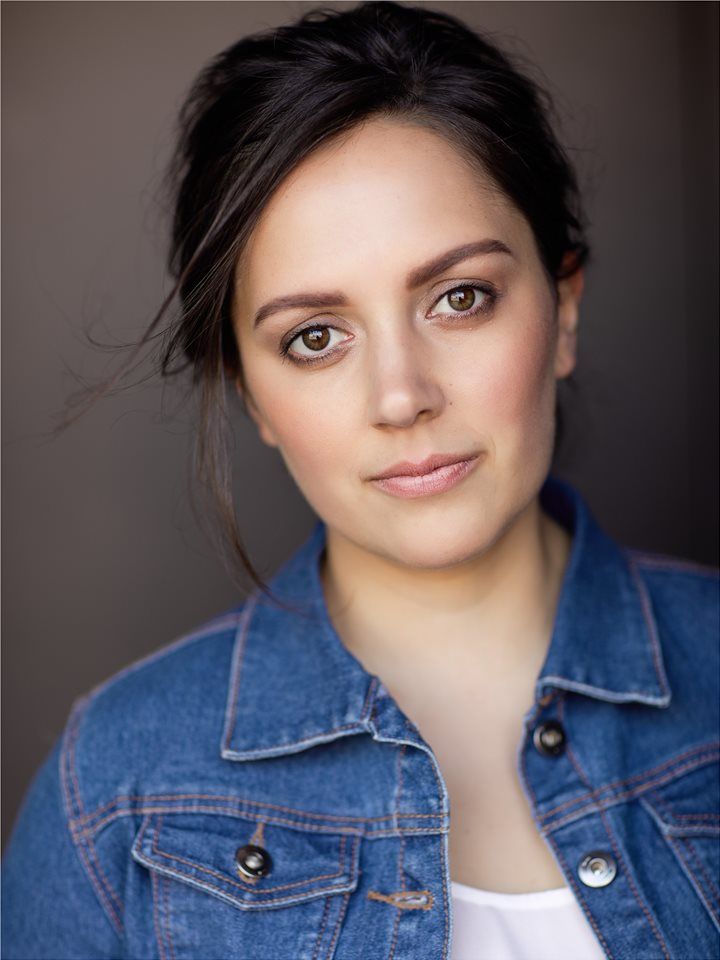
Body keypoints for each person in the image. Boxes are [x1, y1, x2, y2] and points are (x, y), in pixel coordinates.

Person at [2, 3, 718, 959]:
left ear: (564, 311)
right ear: (252, 394)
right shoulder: (115, 790)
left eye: (459, 298)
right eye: (314, 338)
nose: (401, 396)